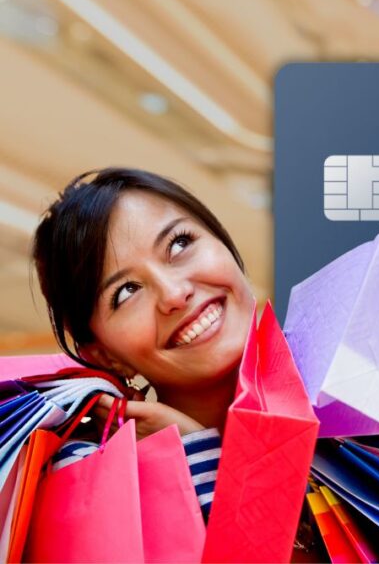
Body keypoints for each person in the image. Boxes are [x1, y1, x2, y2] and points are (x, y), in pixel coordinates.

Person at [31, 167, 321, 559]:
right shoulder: (93, 482)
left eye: (180, 243)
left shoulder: (353, 403)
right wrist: (197, 463)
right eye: (126, 291)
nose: (175, 293)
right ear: (104, 355)